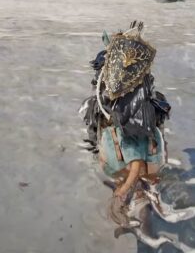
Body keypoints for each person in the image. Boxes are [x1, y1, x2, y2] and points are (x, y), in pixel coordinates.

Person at [79, 21, 184, 229]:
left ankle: (98, 153)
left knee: (91, 109)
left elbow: (133, 152)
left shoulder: (121, 92)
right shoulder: (144, 85)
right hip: (148, 158)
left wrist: (123, 188)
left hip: (126, 160)